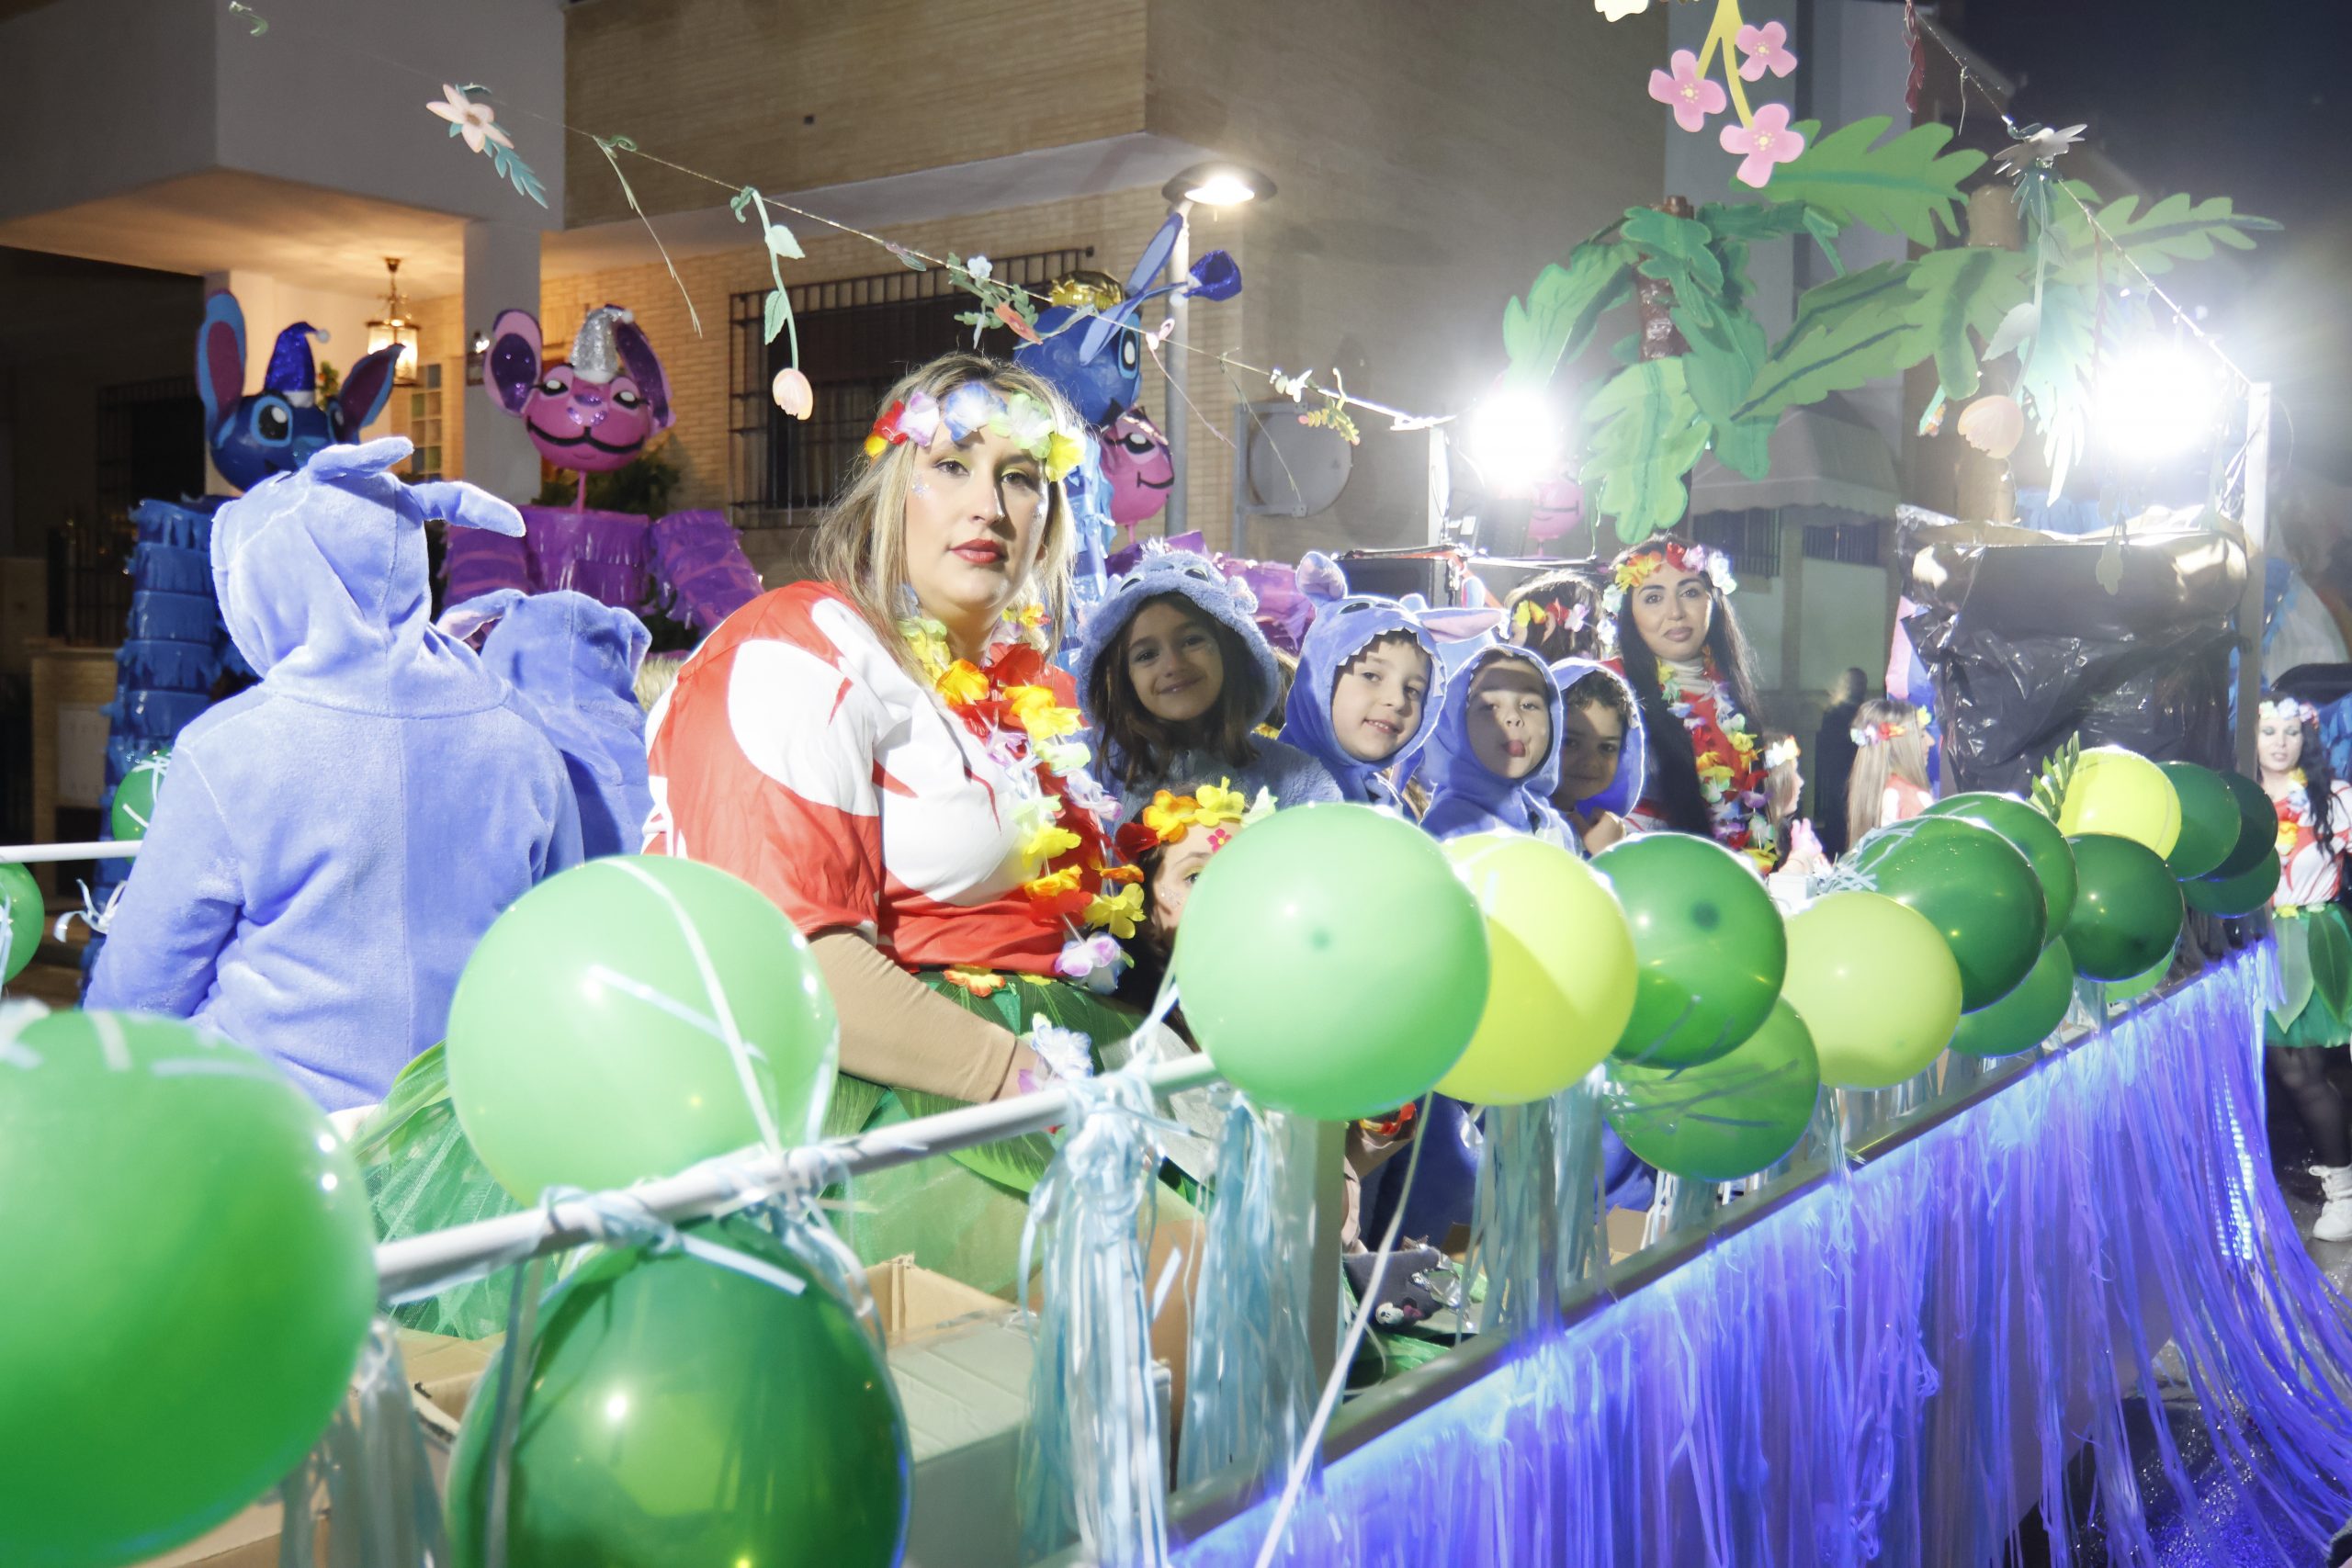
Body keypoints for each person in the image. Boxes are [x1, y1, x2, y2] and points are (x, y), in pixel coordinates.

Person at [639, 353, 1173, 1296]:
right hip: (880, 1104)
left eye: (1021, 477)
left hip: (1054, 1068)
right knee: (1190, 1298)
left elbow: (1050, 914)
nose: (989, 507)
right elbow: (784, 964)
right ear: (891, 489)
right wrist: (1021, 1078)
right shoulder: (797, 649)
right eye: (952, 464)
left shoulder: (1017, 691)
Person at [86, 438, 582, 1111]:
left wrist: (88, 1085)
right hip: (465, 1120)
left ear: (270, 588)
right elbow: (558, 938)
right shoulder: (521, 735)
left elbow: (143, 985)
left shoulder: (230, 749)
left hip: (270, 1128)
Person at [1072, 548, 1338, 819]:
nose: (1173, 665)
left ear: (1229, 649)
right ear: (1123, 678)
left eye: (1192, 641)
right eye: (1147, 655)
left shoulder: (1296, 779)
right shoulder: (1079, 766)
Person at [442, 588, 654, 860]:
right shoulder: (645, 737)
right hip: (655, 877)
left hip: (539, 883)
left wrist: (442, 639)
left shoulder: (492, 734)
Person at [1600, 538, 1774, 859]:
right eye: (1653, 598)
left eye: (1690, 592)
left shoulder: (1729, 693)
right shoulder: (1607, 686)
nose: (1676, 613)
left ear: (1713, 601)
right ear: (1628, 613)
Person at [2257, 694, 2352, 1242]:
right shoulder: (2239, 802)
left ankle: (2344, 1193)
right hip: (2251, 943)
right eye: (2268, 731)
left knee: (2304, 1071)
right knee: (2272, 1073)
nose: (2280, 742)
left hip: (2312, 938)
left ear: (2306, 738)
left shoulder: (2333, 798)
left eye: (2291, 731)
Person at [1278, 579, 1443, 810]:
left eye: (1412, 690)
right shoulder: (1269, 786)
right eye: (1371, 676)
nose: (1397, 701)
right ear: (1317, 681)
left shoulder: (1388, 800)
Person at [1419, 645, 1572, 845]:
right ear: (1458, 726)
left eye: (1528, 705)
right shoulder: (1449, 825)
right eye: (1490, 706)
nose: (1513, 717)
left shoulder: (1554, 827)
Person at [1550, 658, 1647, 857]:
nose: (1591, 761)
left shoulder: (1603, 832)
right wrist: (1607, 856)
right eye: (1570, 742)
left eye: (1606, 747)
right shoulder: (1513, 822)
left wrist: (1610, 852)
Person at [1844, 698, 1934, 846]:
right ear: (1902, 744)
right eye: (1922, 735)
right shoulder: (1907, 800)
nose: (1931, 742)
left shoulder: (1878, 795)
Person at [1758, 733, 1830, 909]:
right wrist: (1801, 857)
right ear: (1777, 781)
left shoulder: (1783, 834)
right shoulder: (1755, 842)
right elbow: (1775, 906)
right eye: (1794, 773)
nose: (1801, 781)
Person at [1813, 667, 1870, 857]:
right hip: (1839, 772)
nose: (1858, 687)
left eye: (1861, 683)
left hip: (1861, 772)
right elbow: (1827, 744)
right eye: (1855, 683)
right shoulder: (1835, 712)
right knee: (1837, 817)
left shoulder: (1866, 712)